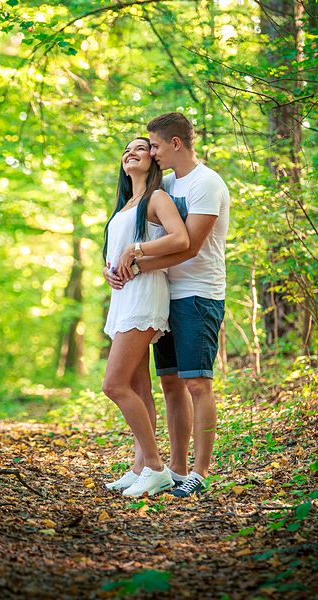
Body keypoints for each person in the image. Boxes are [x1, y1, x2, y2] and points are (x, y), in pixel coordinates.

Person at [105, 113, 230, 498]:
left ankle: (199, 471)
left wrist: (136, 258)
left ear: (175, 144)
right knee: (170, 385)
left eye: (154, 146)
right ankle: (171, 469)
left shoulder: (207, 183)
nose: (150, 152)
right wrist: (122, 268)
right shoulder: (169, 182)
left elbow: (188, 245)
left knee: (197, 383)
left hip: (198, 293)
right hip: (164, 293)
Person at [101, 136, 190, 497]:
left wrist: (136, 250)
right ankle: (140, 468)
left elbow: (180, 238)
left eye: (140, 148)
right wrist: (106, 271)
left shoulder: (157, 198)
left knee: (114, 385)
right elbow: (115, 255)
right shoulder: (125, 206)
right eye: (126, 150)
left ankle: (155, 467)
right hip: (121, 298)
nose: (131, 153)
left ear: (153, 160)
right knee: (138, 387)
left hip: (145, 296)